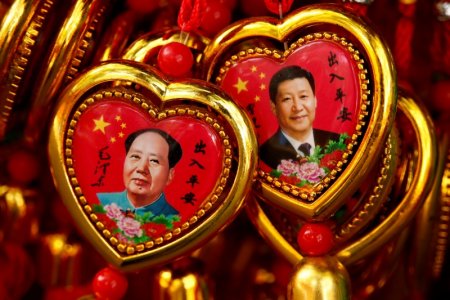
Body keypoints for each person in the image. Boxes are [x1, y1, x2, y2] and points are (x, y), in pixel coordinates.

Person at [259, 65, 340, 170]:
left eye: (303, 96)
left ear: (315, 100)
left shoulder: (336, 141)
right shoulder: (263, 156)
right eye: (287, 99)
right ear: (274, 107)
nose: (297, 107)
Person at [97, 128, 182, 217]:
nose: (141, 168)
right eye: (135, 156)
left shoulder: (176, 221)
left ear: (169, 175)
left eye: (154, 161)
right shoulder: (99, 203)